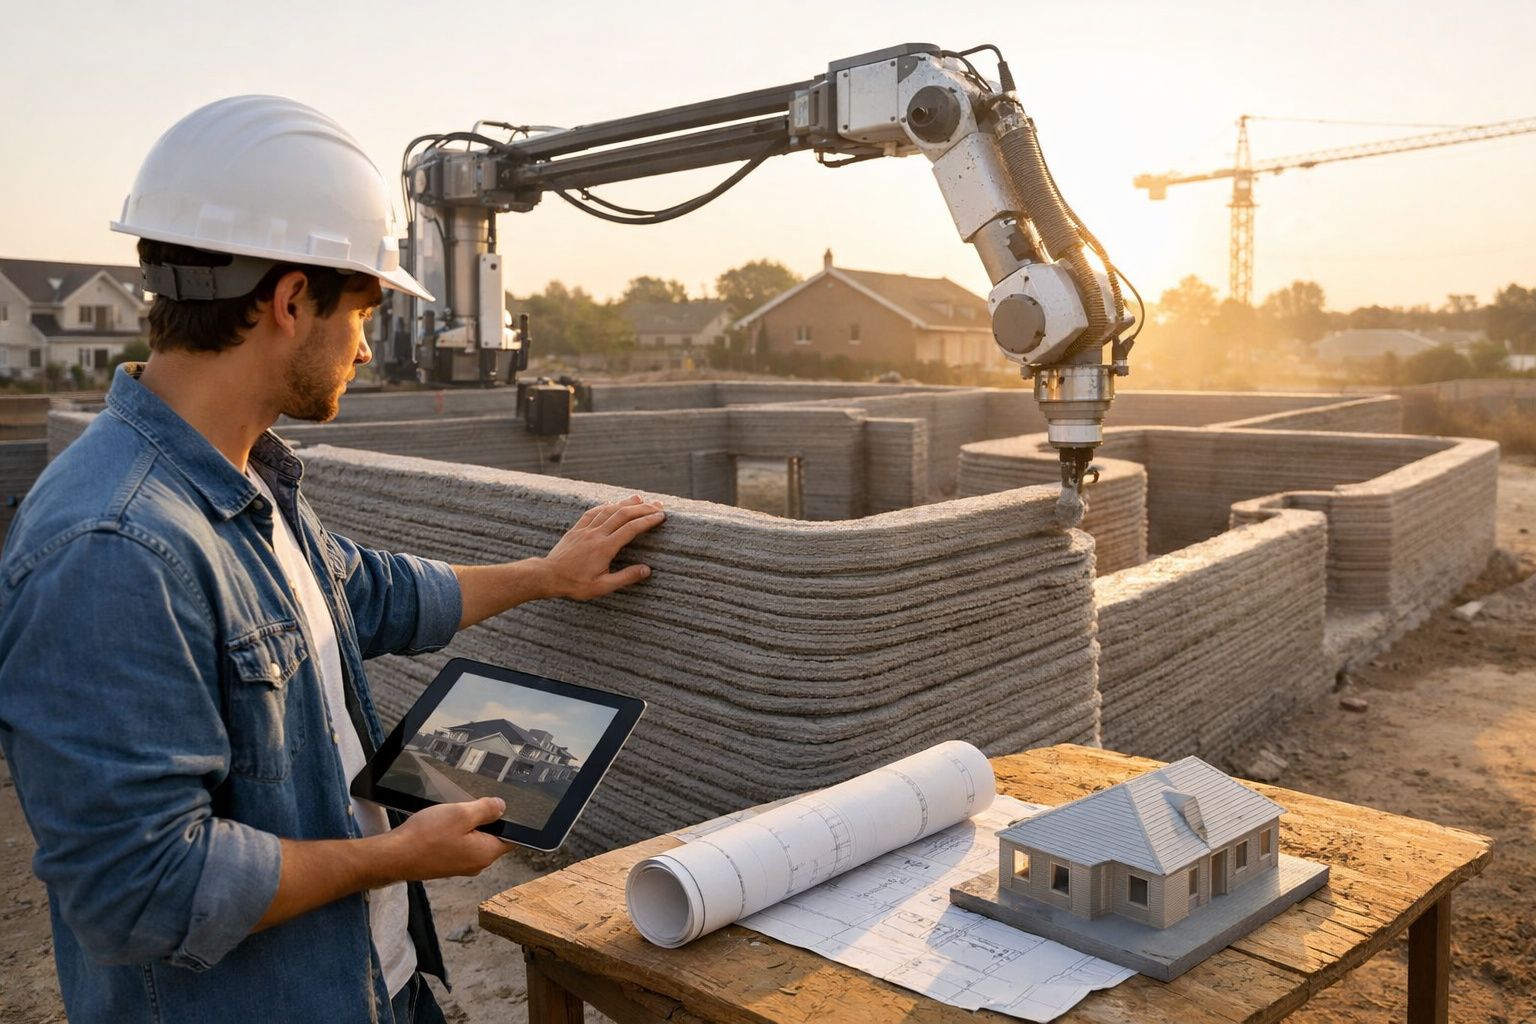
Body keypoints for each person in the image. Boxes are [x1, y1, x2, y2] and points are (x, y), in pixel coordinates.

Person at [0, 95, 664, 1024]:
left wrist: (549, 575)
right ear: (290, 300)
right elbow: (141, 888)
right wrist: (400, 853)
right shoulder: (113, 548)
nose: (366, 341)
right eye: (366, 306)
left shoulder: (246, 481)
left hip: (370, 982)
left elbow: (366, 595)